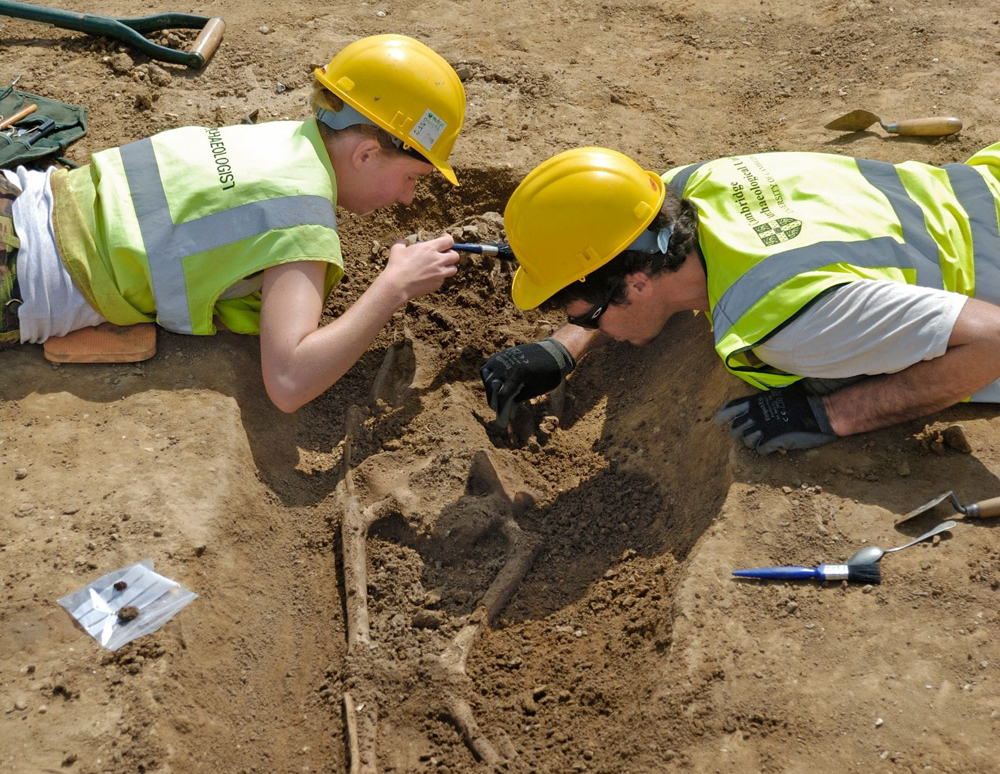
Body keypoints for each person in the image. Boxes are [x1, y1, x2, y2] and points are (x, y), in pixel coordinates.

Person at [0, 34, 465, 412]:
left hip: (21, 193)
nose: (408, 197)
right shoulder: (299, 221)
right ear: (365, 154)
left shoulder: (280, 139)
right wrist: (394, 285)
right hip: (21, 273)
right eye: (411, 177)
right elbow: (288, 382)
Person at [479, 144, 1000, 454]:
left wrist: (835, 413)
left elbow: (993, 341)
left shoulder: (782, 320)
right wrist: (563, 347)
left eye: (593, 317)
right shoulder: (693, 186)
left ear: (636, 285)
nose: (602, 330)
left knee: (829, 375)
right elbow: (619, 249)